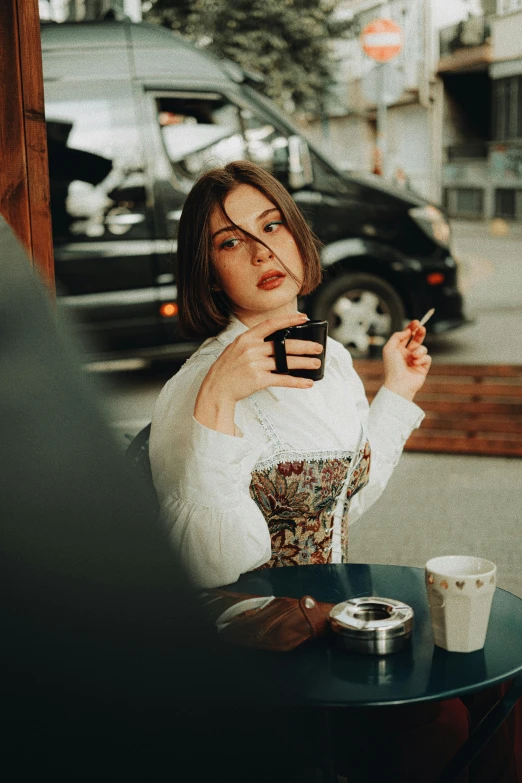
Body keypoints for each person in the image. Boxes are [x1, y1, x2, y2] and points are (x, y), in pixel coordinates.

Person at [150, 160, 431, 590]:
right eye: (229, 243)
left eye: (272, 226)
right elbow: (205, 567)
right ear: (208, 277)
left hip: (333, 624)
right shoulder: (193, 389)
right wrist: (217, 399)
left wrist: (397, 390)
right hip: (246, 646)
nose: (261, 252)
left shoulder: (332, 358)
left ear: (298, 237)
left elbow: (341, 503)